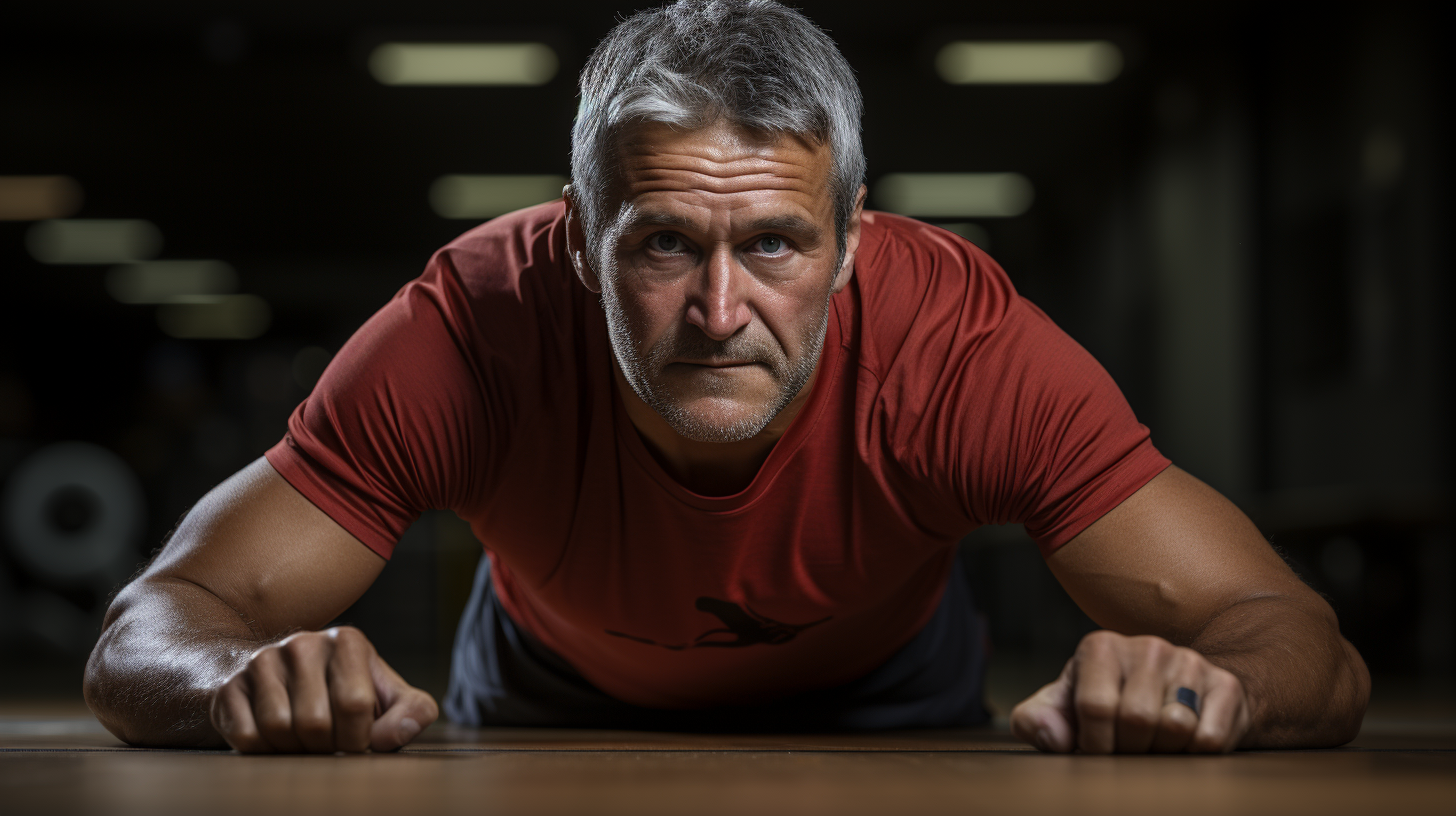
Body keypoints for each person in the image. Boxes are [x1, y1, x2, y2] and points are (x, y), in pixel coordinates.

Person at [84, 0, 1368, 755]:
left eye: (773, 243)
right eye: (660, 244)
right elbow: (161, 616)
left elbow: (1297, 636)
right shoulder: (470, 330)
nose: (718, 310)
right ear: (580, 245)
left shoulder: (961, 352)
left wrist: (1212, 688)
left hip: (884, 697)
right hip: (547, 699)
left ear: (852, 242)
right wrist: (237, 679)